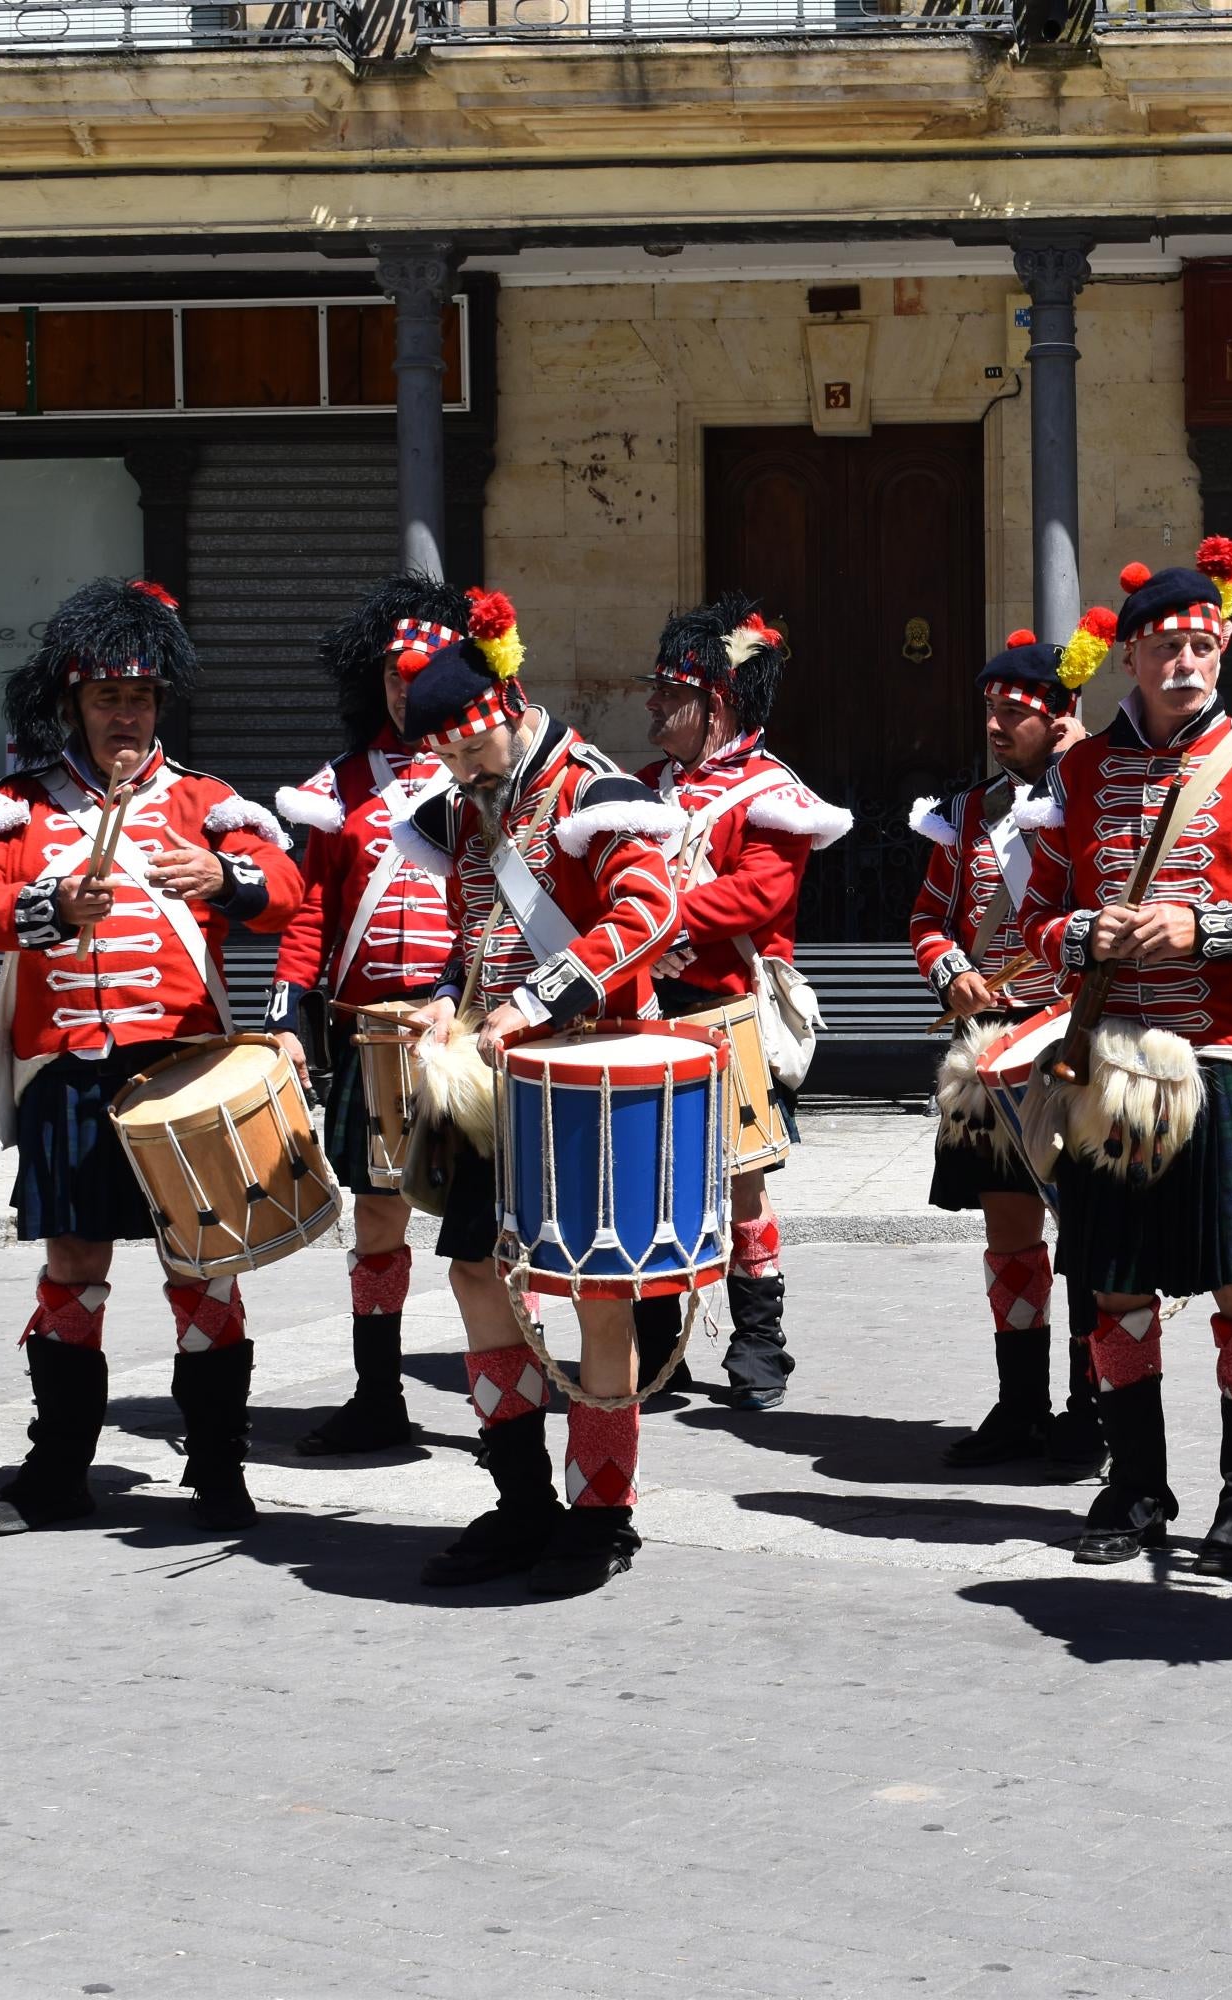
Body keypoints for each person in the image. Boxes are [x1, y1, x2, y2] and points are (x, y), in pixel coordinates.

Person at [0, 579, 303, 1537]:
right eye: (105, 699)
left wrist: (225, 879)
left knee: (205, 1269)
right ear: (74, 706)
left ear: (160, 705)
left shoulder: (207, 800)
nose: (124, 715)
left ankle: (218, 1471)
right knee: (72, 1265)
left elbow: (288, 893)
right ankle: (57, 1472)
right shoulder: (19, 808)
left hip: (180, 1072)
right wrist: (47, 909)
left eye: (138, 698)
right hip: (68, 1076)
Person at [1013, 538, 1232, 1576]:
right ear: (1130, 660)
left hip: (1227, 1059)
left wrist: (1206, 928)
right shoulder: (1077, 770)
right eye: (1165, 649)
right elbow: (1035, 917)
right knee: (1116, 1286)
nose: (1185, 665)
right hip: (1109, 1062)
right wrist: (1084, 938)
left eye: (1202, 645)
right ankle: (1134, 1482)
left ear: (1225, 645)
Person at [384, 599, 688, 1597]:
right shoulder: (470, 804)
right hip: (490, 1080)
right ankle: (521, 1500)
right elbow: (469, 941)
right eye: (439, 751)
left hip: (590, 1071)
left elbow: (649, 913)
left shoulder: (594, 790)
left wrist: (532, 1001)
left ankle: (601, 1509)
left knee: (599, 1293)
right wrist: (440, 1005)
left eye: (462, 744)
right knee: (476, 1272)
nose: (454, 769)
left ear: (505, 700)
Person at [629, 597, 851, 1414]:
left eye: (666, 693)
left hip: (728, 1007)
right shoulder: (647, 787)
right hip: (651, 1005)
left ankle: (760, 1343)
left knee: (744, 1183)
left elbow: (761, 892)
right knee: (648, 1184)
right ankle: (659, 1347)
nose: (651, 705)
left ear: (712, 703)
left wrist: (658, 922)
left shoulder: (771, 791)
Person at [266, 575, 470, 1457]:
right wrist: (286, 1011)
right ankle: (378, 1395)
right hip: (366, 1031)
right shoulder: (341, 784)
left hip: (464, 1028)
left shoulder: (486, 770)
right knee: (378, 1216)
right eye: (392, 674)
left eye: (421, 671)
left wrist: (461, 997)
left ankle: (517, 1394)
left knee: (485, 1222)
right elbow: (309, 906)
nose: (404, 687)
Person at [912, 625, 1102, 1471]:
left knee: (1090, 1237)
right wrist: (951, 970)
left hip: (1072, 1043)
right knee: (1009, 1231)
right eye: (988, 712)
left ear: (1061, 718)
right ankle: (1020, 1405)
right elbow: (927, 918)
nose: (994, 729)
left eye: (1013, 715)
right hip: (984, 1047)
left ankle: (1093, 1415)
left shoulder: (1100, 799)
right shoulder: (967, 813)